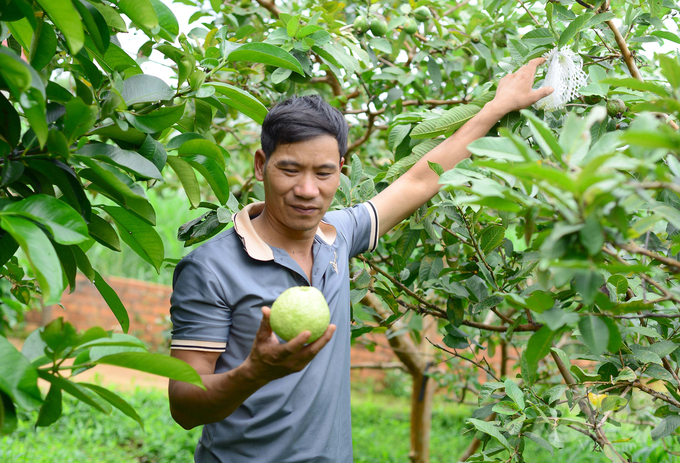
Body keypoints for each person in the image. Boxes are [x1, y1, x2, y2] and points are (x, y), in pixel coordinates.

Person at [167, 58, 553, 462]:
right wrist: (256, 371)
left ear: (341, 172)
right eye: (290, 169)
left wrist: (497, 107)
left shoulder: (337, 235)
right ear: (261, 166)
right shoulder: (210, 268)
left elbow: (421, 179)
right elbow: (185, 406)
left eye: (323, 173)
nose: (307, 189)